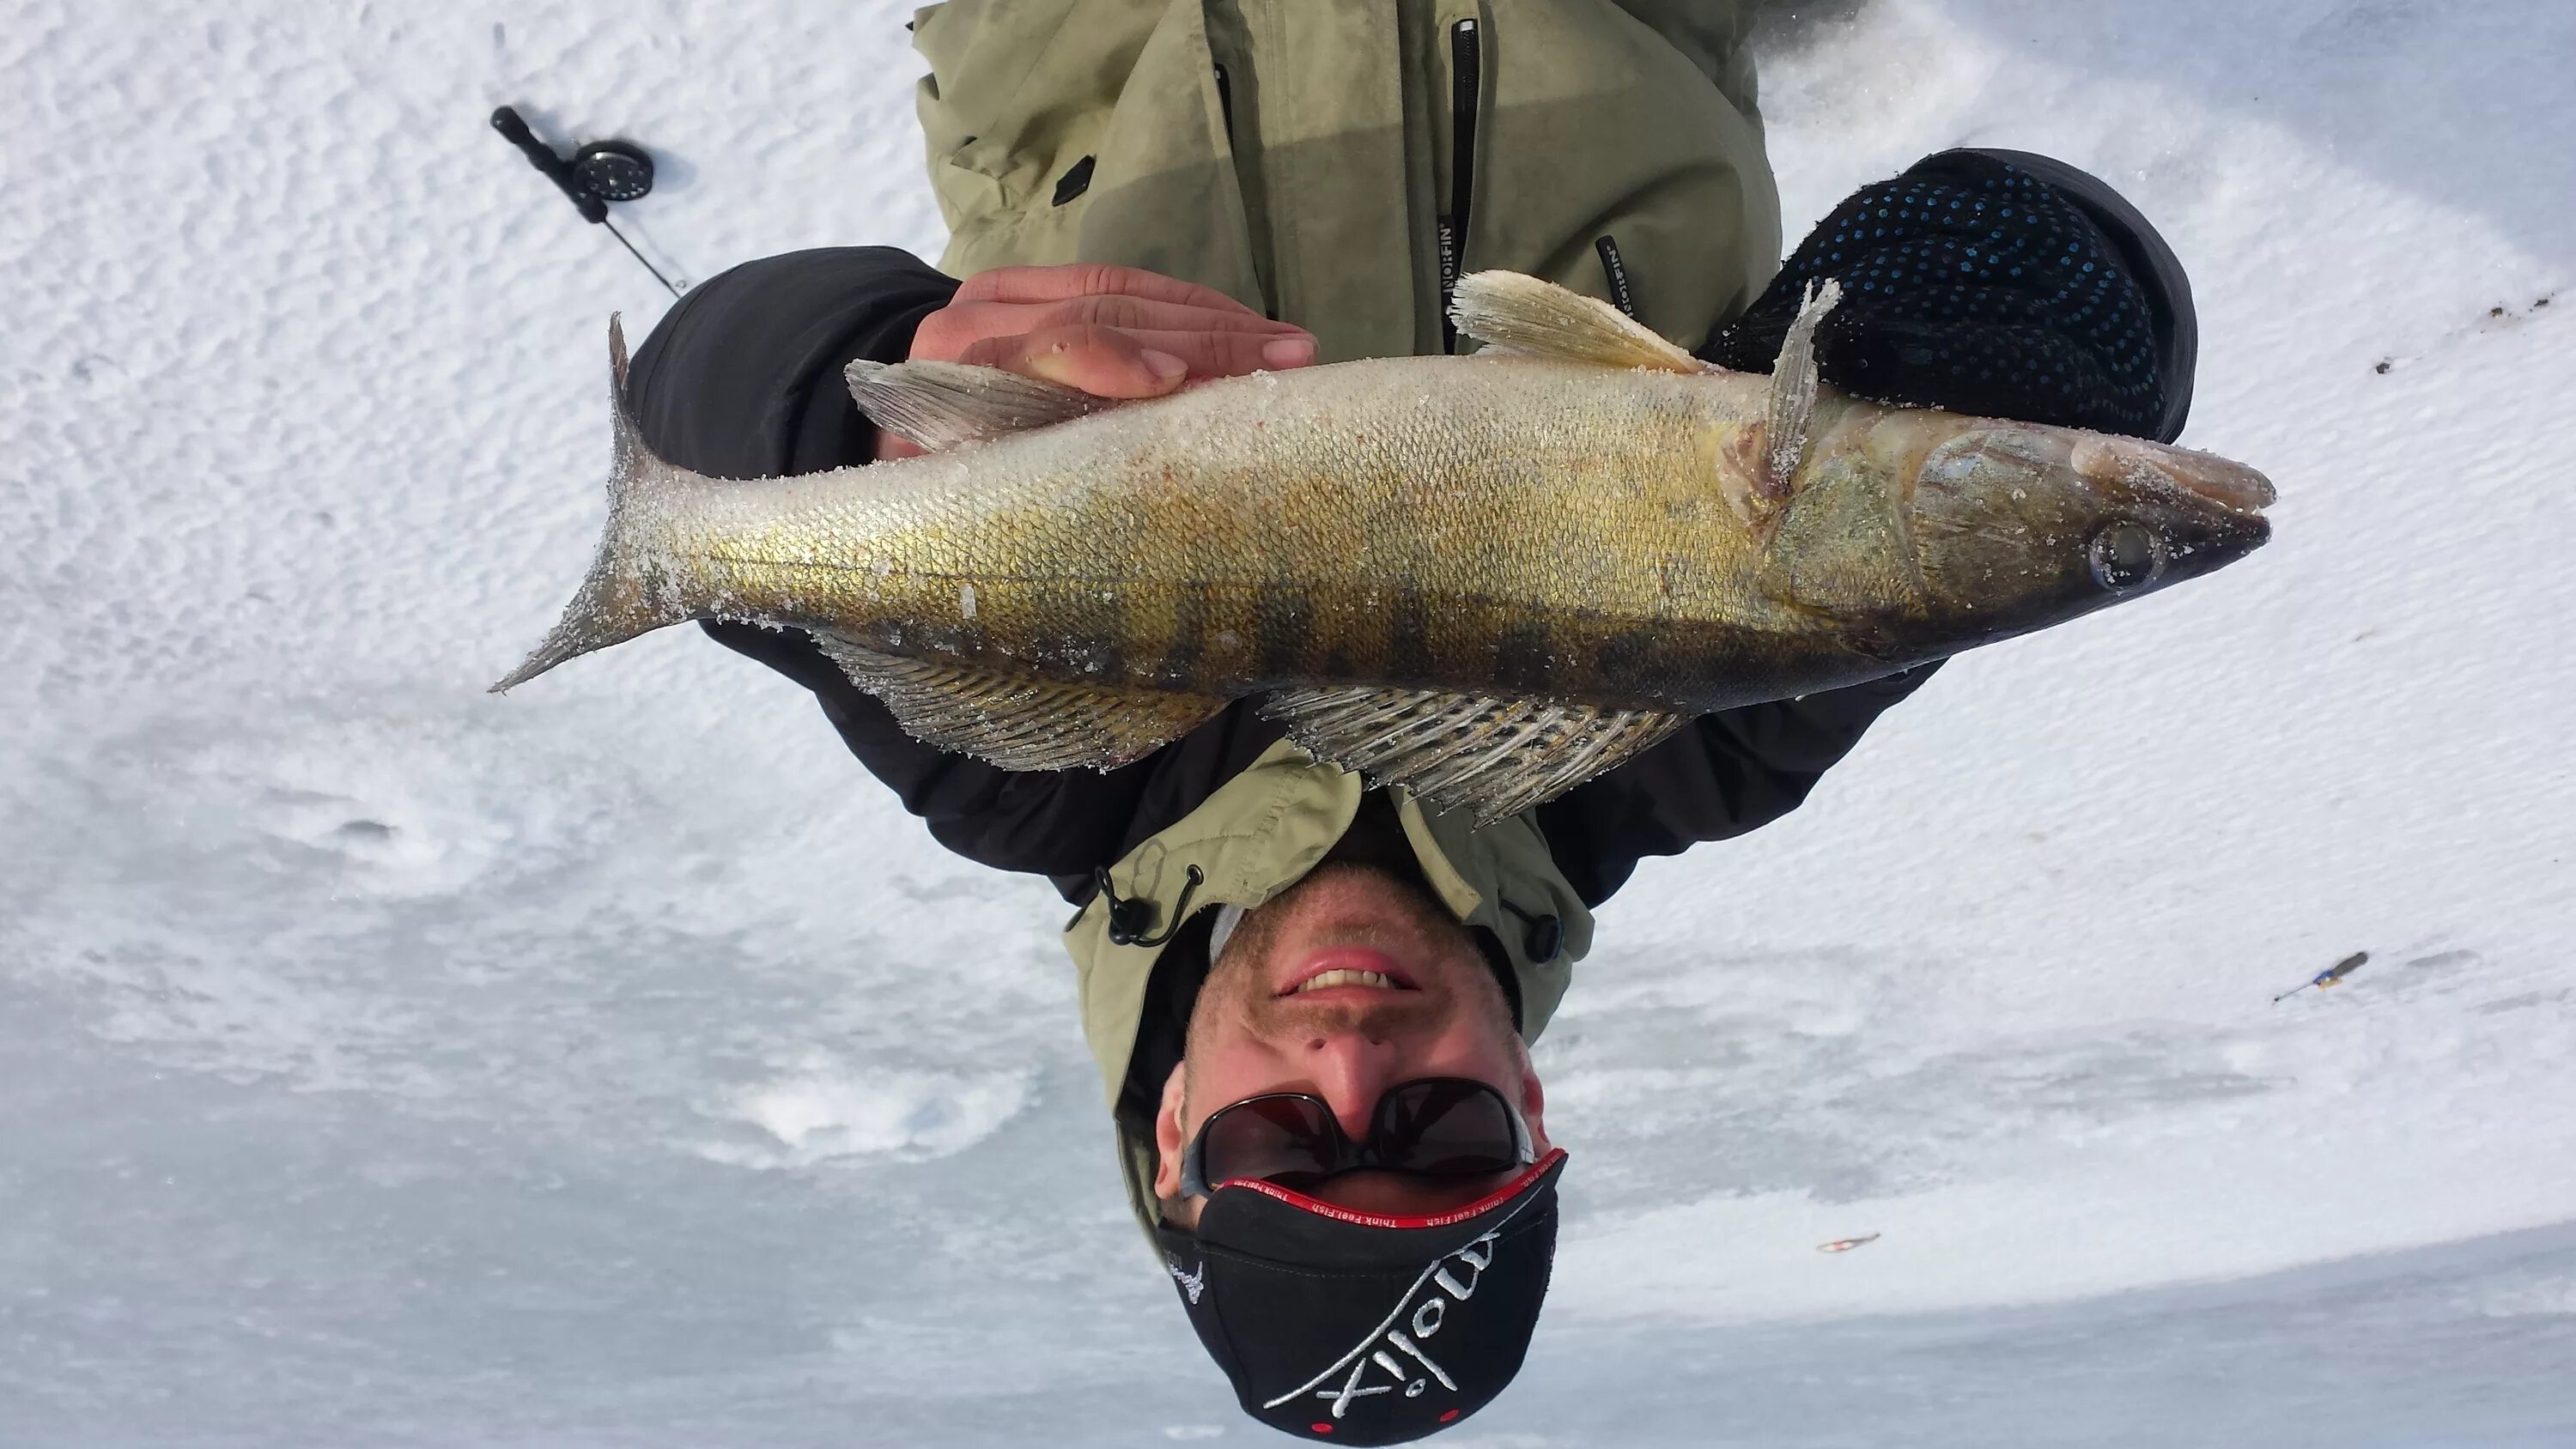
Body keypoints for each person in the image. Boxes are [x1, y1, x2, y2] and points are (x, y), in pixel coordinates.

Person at [618, 3, 2196, 1440]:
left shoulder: (1032, 770)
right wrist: (2025, 329)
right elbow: (2081, 296)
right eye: (1441, 1138)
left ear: (1176, 1130)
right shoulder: (1696, 743)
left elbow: (699, 420)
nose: (1356, 1068)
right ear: (1531, 1107)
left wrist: (842, 401)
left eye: (1283, 1151)